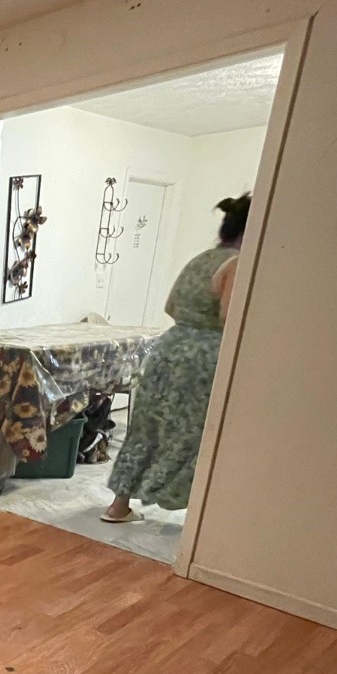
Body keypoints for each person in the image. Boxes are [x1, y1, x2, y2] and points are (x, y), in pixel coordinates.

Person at [102, 193, 249, 522]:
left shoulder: (201, 258)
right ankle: (196, 520)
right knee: (194, 432)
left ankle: (118, 506)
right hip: (204, 358)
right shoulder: (238, 264)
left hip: (168, 350)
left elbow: (170, 305)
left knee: (146, 428)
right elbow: (230, 316)